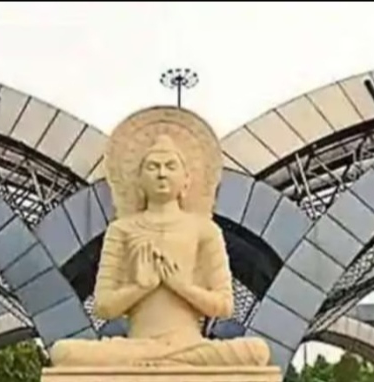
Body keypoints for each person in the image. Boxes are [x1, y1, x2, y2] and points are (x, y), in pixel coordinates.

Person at [48, 107, 270, 368]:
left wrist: (182, 286)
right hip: (136, 345)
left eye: (170, 166)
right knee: (63, 352)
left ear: (186, 180)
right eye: (152, 167)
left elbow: (223, 305)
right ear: (139, 180)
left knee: (256, 351)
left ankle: (166, 360)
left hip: (190, 344)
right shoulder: (122, 230)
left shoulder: (204, 230)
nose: (162, 174)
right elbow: (103, 306)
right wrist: (140, 287)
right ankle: (167, 361)